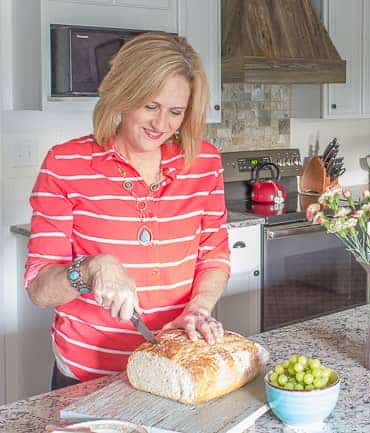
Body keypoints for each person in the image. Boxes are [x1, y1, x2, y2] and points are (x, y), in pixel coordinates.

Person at [24, 32, 231, 390]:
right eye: (150, 106)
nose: (161, 124)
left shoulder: (204, 162)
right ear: (122, 94)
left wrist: (198, 308)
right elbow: (39, 289)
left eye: (176, 112)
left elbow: (214, 256)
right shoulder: (66, 164)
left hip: (174, 369)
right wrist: (90, 269)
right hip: (88, 378)